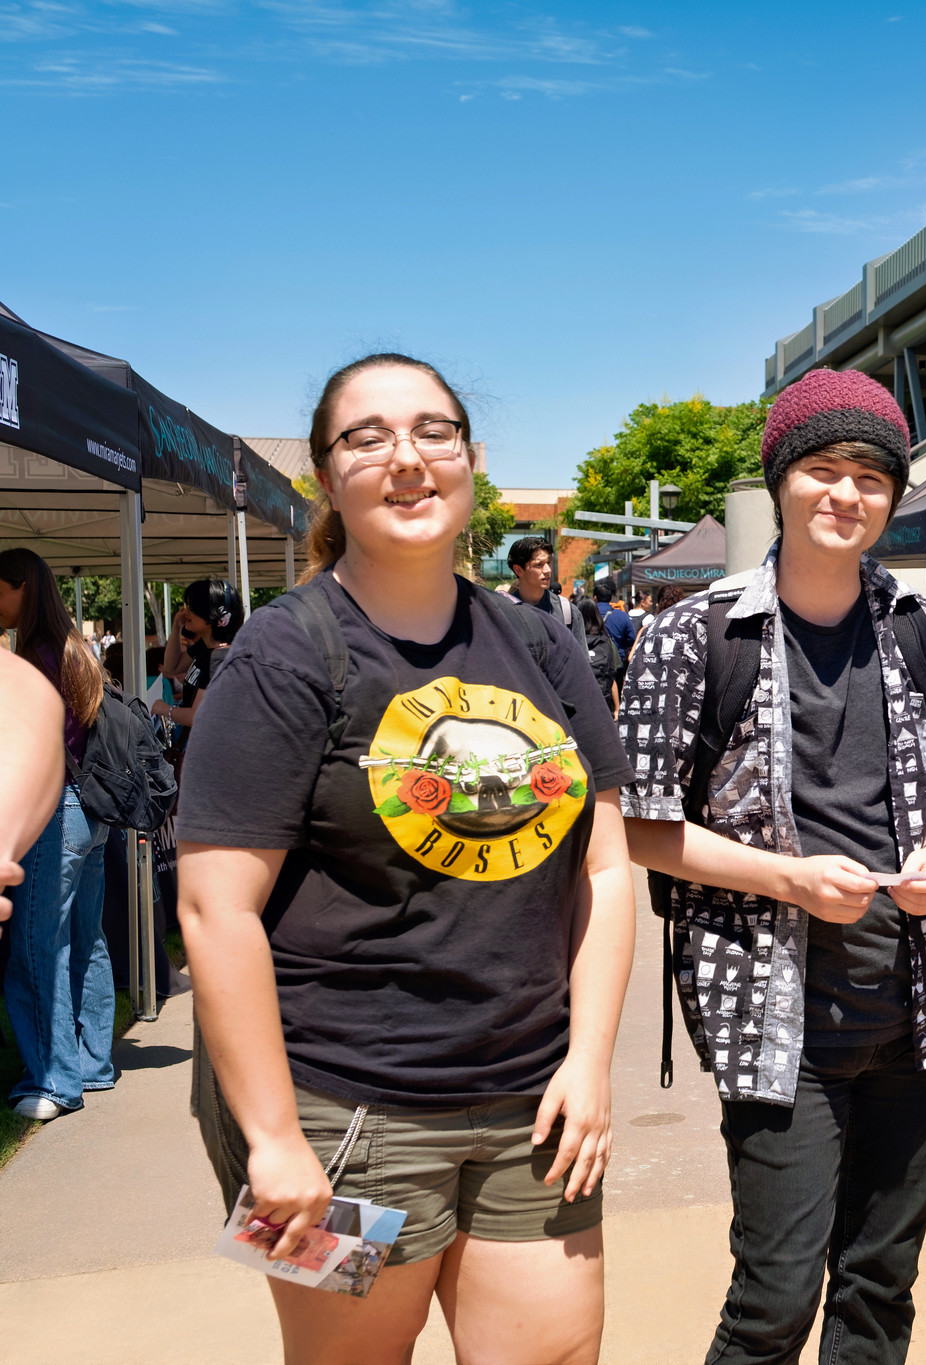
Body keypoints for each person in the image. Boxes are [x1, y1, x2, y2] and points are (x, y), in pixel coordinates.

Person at [177, 353, 636, 1364]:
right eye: (367, 437)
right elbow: (216, 911)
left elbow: (605, 870)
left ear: (469, 460)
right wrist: (273, 1140)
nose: (406, 459)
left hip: (534, 1109)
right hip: (343, 1117)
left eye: (433, 432)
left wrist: (590, 1063)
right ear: (327, 480)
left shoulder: (543, 645)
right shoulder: (284, 654)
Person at [618, 367, 926, 1365]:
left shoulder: (924, 635)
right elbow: (639, 823)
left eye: (870, 477)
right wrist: (790, 880)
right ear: (781, 479)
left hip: (921, 1004)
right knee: (776, 1296)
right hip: (771, 1011)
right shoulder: (689, 635)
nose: (845, 494)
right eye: (822, 470)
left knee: (880, 1287)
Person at [0, 548, 115, 1121]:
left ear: (21, 588)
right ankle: (93, 1065)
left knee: (35, 947)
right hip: (90, 813)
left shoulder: (37, 656)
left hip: (56, 814)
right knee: (84, 939)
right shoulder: (74, 648)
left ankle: (53, 1080)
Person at [0, 648, 66, 934]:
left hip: (67, 807)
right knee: (78, 936)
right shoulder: (71, 660)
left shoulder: (31, 676)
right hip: (81, 803)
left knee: (40, 944)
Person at [153, 578, 244, 745]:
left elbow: (197, 716)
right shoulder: (205, 647)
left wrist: (164, 709)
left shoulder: (219, 658)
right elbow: (170, 668)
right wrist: (176, 627)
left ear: (212, 615)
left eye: (192, 608)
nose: (186, 612)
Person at [508, 534, 576, 627]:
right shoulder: (504, 612)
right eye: (539, 564)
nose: (548, 570)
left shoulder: (566, 611)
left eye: (548, 562)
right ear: (518, 570)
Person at [577, 597, 621, 713]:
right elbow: (612, 677)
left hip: (577, 705)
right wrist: (617, 708)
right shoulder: (607, 642)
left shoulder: (570, 641)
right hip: (602, 705)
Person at [591, 576, 638, 658]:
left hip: (593, 659)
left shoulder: (587, 613)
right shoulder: (621, 615)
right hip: (616, 660)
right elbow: (631, 638)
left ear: (595, 597)